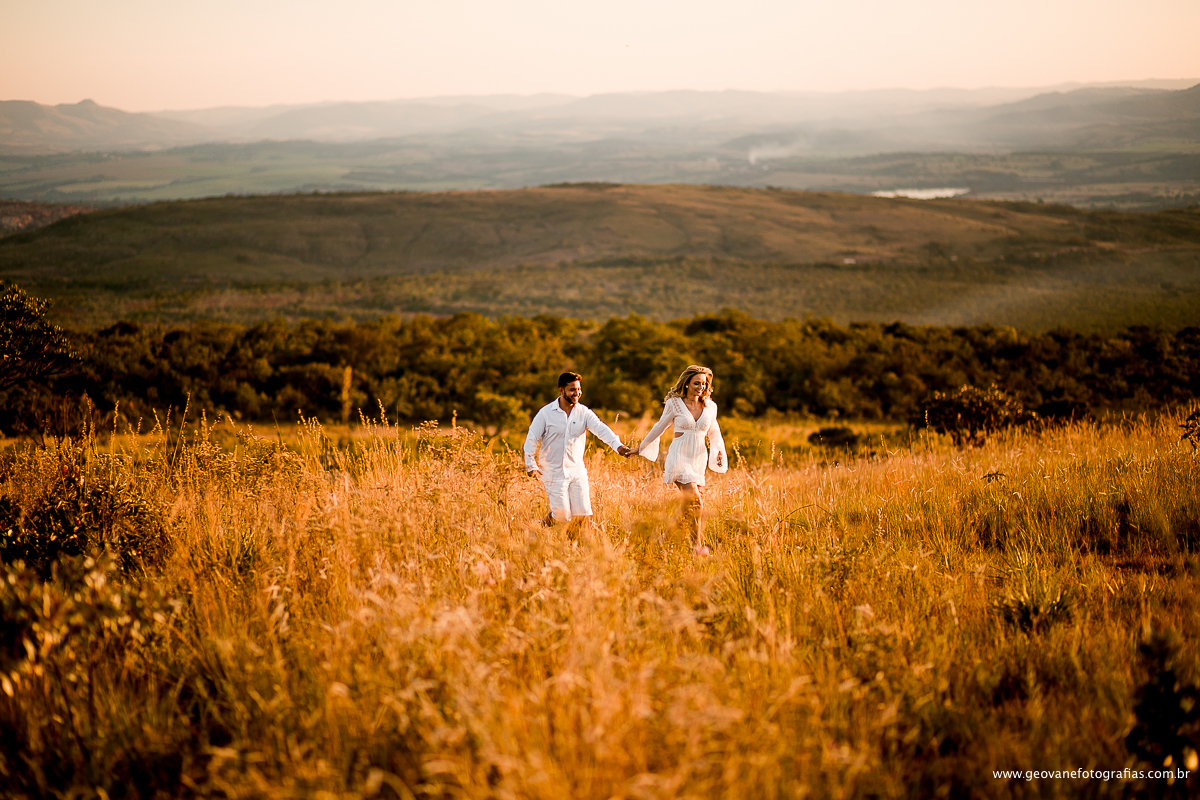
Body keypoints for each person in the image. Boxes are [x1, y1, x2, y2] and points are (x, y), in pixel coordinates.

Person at [631, 365, 727, 555]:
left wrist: (719, 451)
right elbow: (660, 426)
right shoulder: (674, 403)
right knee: (697, 502)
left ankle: (661, 542)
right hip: (680, 456)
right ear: (687, 383)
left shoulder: (710, 406)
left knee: (687, 508)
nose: (701, 386)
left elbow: (714, 432)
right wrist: (640, 448)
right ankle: (697, 548)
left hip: (698, 457)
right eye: (696, 383)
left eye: (704, 383)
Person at [524, 371, 631, 535]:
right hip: (552, 472)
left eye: (579, 389)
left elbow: (602, 430)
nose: (577, 393)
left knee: (581, 516)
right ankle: (537, 527)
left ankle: (572, 552)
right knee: (562, 515)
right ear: (561, 390)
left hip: (577, 471)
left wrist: (619, 447)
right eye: (572, 389)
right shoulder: (545, 413)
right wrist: (531, 465)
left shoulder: (584, 412)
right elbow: (531, 439)